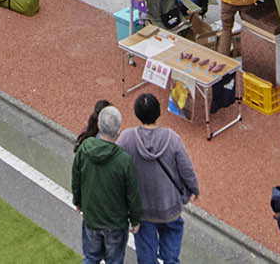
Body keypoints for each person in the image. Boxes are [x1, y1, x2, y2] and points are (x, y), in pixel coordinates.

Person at [116, 93, 199, 264]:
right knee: (171, 254)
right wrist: (194, 189)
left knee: (146, 257)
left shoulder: (127, 138)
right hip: (170, 207)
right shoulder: (172, 138)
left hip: (142, 209)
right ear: (159, 112)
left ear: (137, 113)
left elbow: (114, 168)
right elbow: (186, 169)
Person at [70, 105, 140, 264]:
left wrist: (78, 201)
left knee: (90, 258)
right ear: (119, 130)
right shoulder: (124, 160)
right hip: (115, 224)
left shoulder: (84, 148)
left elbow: (76, 178)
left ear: (99, 126)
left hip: (92, 219)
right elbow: (132, 195)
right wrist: (135, 220)